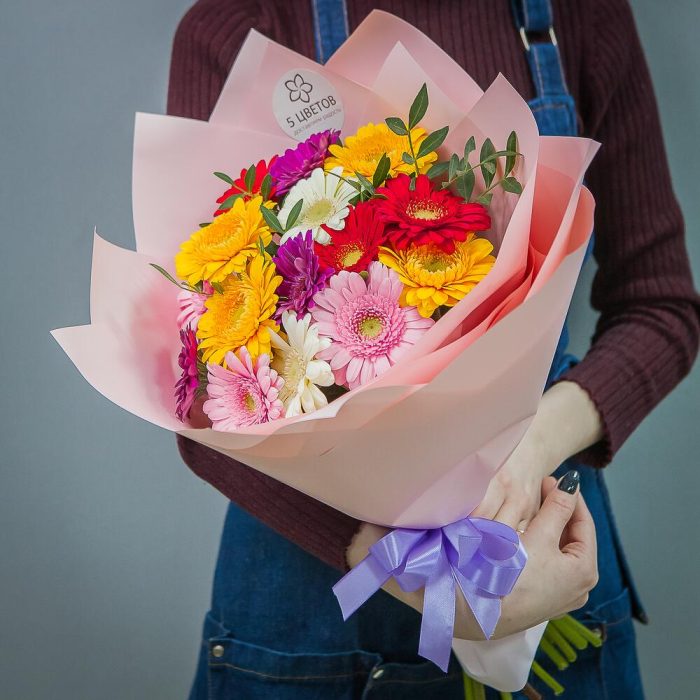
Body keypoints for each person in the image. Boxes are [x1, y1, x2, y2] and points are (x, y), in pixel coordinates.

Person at [167, 1, 700, 697]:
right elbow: (199, 382)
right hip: (312, 605)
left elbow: (661, 307)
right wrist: (420, 574)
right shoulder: (239, 26)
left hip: (536, 550)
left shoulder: (580, 14)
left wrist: (526, 452)